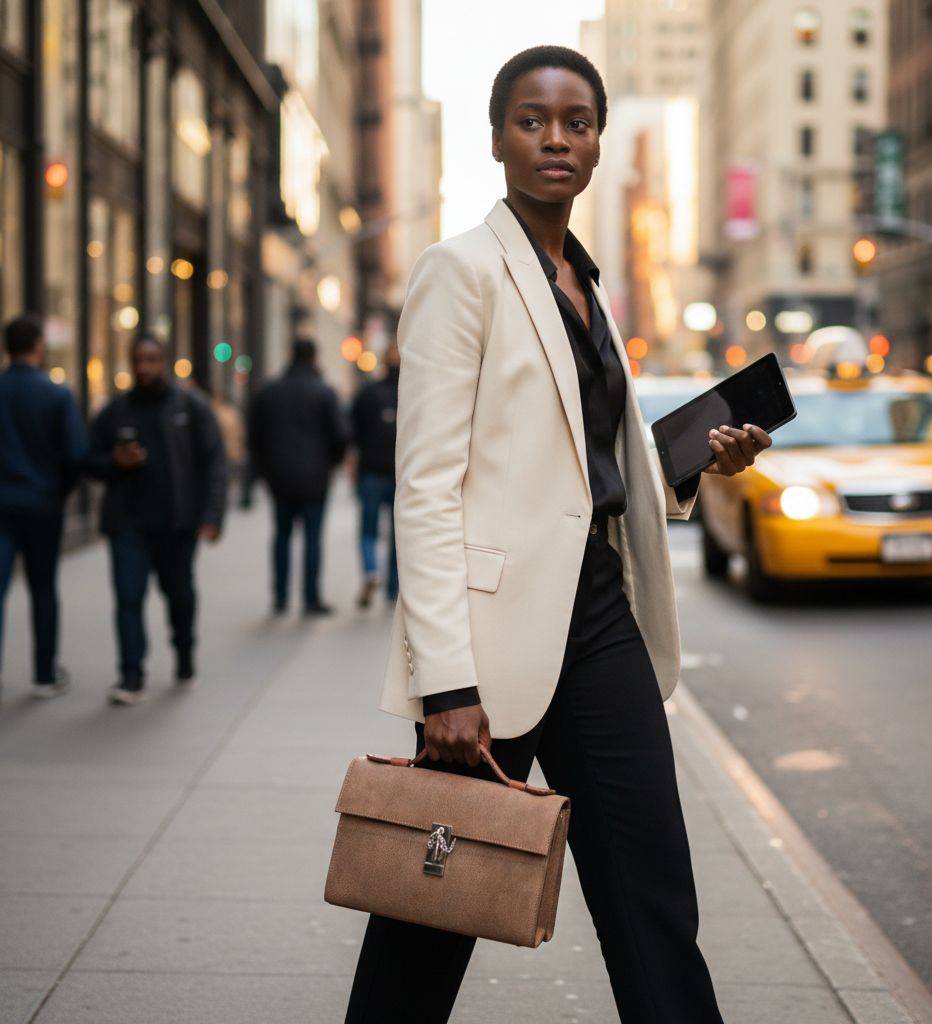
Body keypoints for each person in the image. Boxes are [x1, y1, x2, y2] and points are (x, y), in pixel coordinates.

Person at [345, 47, 774, 1024]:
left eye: (576, 122)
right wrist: (443, 683)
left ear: (596, 142)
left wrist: (695, 460)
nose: (555, 139)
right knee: (431, 908)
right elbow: (427, 486)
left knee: (653, 891)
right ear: (496, 138)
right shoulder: (461, 271)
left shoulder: (584, 284)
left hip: (600, 617)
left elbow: (584, 468)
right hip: (488, 647)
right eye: (533, 120)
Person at [85, 334, 226, 705]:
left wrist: (211, 515)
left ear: (164, 361)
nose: (145, 368)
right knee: (128, 597)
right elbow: (88, 461)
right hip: (128, 523)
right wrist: (115, 462)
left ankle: (184, 654)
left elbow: (214, 462)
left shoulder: (190, 406)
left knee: (178, 595)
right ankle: (131, 675)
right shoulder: (116, 411)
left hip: (176, 524)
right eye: (138, 361)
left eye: (151, 360)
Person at [0, 315, 87, 698]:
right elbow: (75, 456)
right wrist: (59, 491)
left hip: (1, 505)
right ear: (38, 346)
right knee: (43, 588)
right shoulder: (56, 394)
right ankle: (44, 674)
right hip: (41, 504)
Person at [248, 337, 348, 616]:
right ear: (314, 358)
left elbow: (255, 436)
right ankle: (310, 598)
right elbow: (340, 436)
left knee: (281, 535)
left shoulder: (269, 391)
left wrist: (263, 470)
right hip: (315, 478)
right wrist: (331, 463)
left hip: (279, 477)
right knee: (313, 538)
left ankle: (280, 596)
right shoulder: (324, 392)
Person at [351, 339, 400, 608]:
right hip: (400, 474)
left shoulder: (369, 393)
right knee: (398, 534)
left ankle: (371, 570)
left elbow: (353, 431)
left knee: (368, 531)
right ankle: (393, 588)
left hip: (370, 471)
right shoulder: (413, 391)